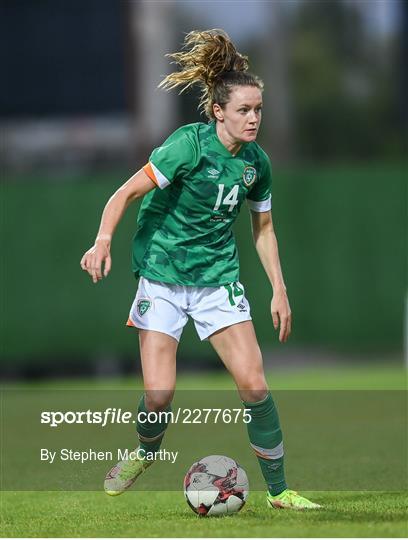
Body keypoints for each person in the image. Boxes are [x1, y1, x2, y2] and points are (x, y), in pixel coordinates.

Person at [80, 29, 321, 510]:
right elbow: (124, 193)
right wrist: (103, 239)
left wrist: (279, 289)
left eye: (258, 110)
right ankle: (145, 451)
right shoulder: (185, 147)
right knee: (160, 396)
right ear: (218, 112)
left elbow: (264, 228)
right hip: (163, 276)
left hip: (218, 280)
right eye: (244, 111)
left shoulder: (256, 165)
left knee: (254, 384)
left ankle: (279, 492)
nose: (254, 119)